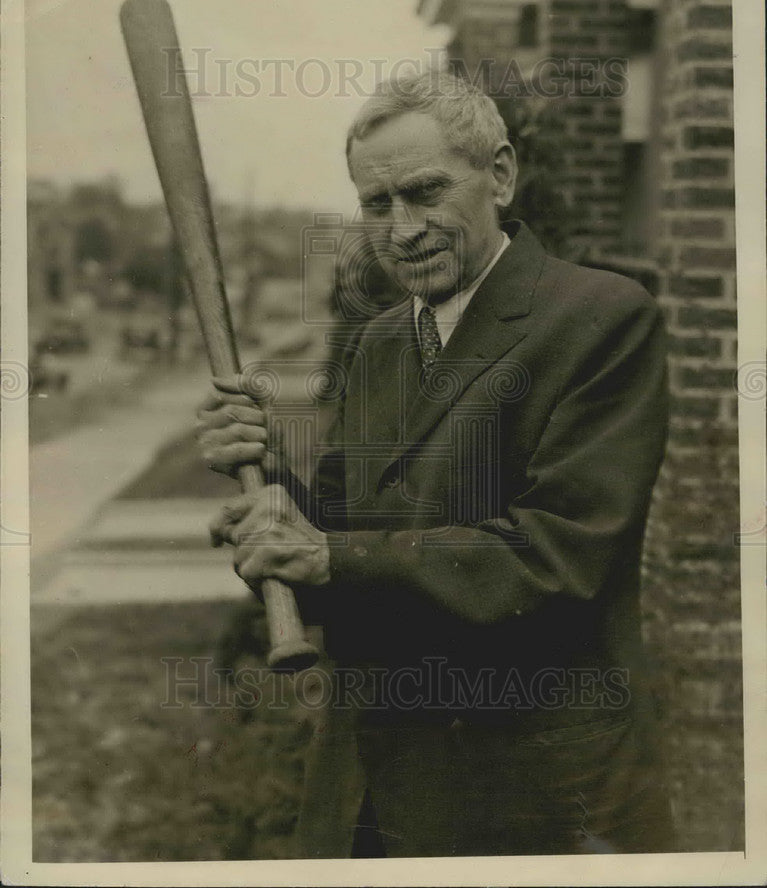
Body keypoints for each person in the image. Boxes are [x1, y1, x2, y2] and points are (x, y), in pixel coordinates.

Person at [196, 70, 673, 857]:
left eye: (425, 192)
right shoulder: (381, 342)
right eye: (376, 204)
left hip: (532, 800)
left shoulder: (600, 319)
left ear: (500, 175)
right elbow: (346, 544)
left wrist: (324, 555)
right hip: (373, 784)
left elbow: (553, 560)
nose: (401, 228)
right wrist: (269, 491)